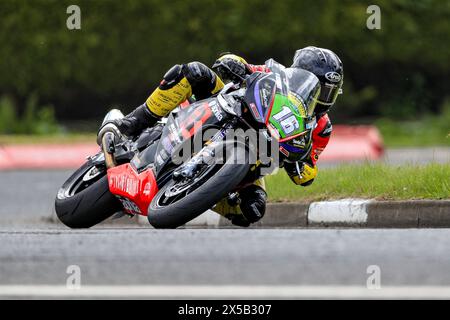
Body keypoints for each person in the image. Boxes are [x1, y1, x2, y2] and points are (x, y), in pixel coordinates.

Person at [106, 47, 343, 227]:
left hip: (255, 159)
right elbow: (246, 66)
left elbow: (309, 167)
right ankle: (133, 124)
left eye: (328, 91)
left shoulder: (322, 128)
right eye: (319, 87)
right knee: (195, 72)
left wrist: (300, 167)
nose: (322, 95)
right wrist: (234, 63)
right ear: (297, 75)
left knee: (252, 210)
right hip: (228, 111)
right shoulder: (276, 76)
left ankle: (196, 193)